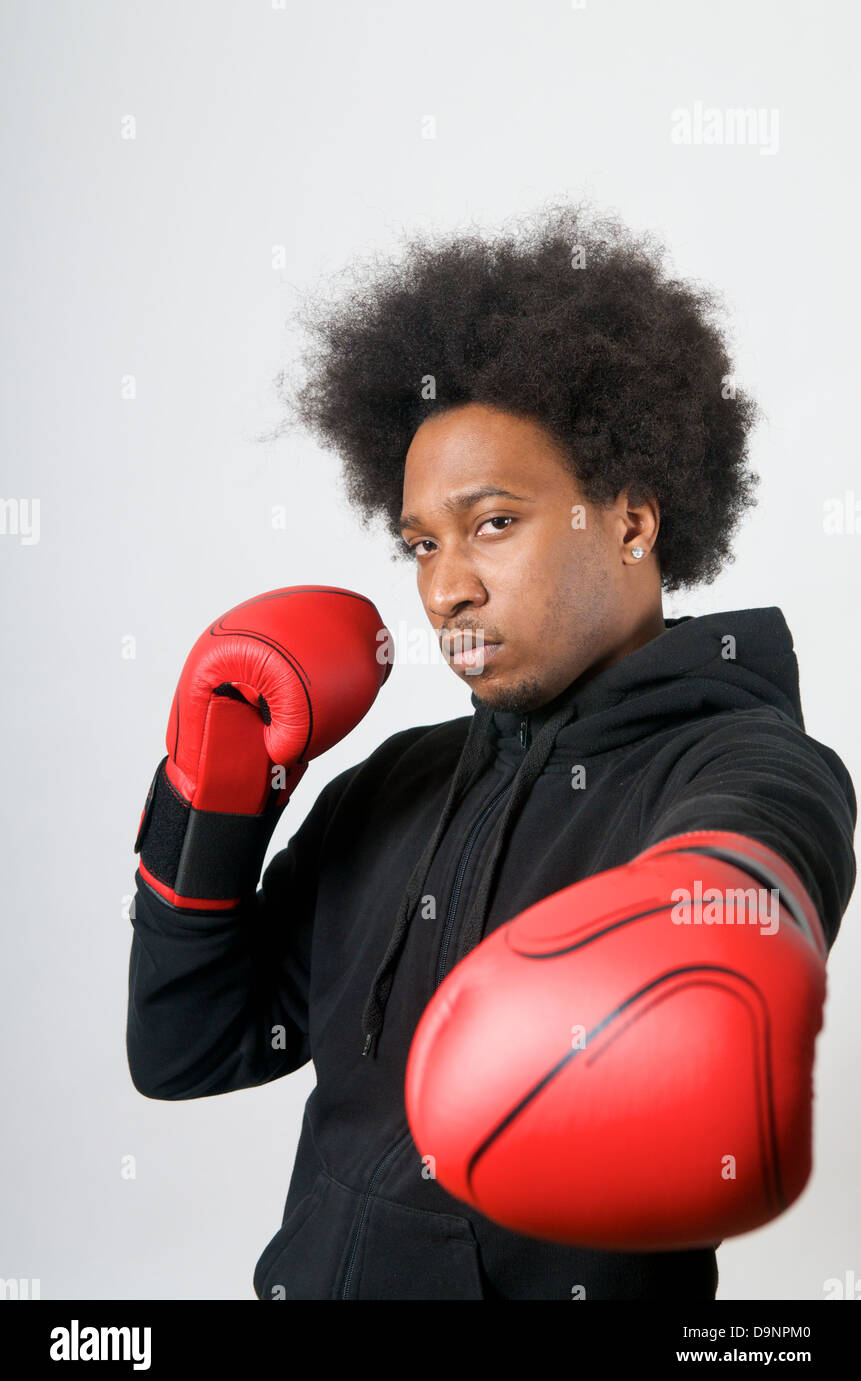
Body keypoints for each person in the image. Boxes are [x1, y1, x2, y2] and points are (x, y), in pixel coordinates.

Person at [126, 204, 857, 1300]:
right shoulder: (393, 783)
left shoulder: (739, 762)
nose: (443, 585)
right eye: (421, 541)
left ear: (631, 520)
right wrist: (215, 798)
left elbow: (767, 842)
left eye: (494, 523)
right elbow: (186, 1051)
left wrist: (710, 920)